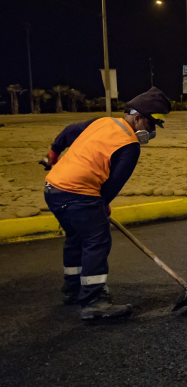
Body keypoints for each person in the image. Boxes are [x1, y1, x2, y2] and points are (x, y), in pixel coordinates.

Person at [43, 87, 171, 321]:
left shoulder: (103, 122)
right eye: (152, 124)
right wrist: (101, 203)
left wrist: (54, 152)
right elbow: (112, 185)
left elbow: (69, 132)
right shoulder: (130, 146)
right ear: (138, 116)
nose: (152, 131)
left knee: (76, 238)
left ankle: (72, 290)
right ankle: (93, 301)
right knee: (97, 241)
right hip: (79, 195)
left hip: (53, 190)